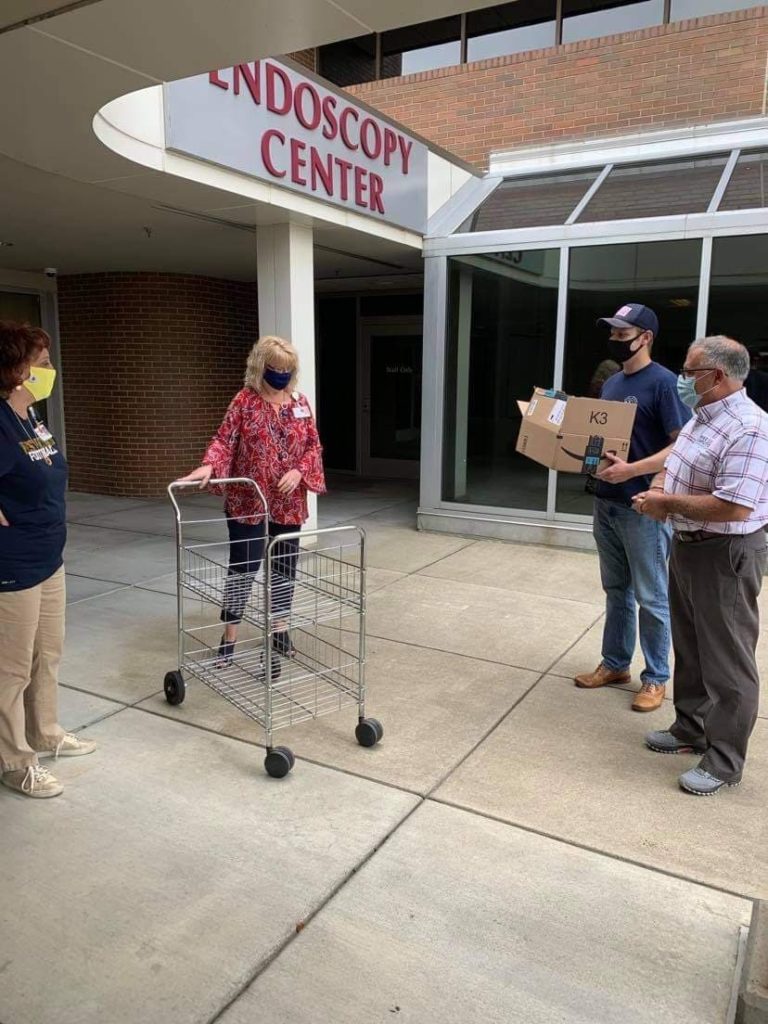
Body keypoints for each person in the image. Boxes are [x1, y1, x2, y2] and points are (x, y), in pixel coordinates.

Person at [633, 336, 768, 796]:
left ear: (717, 377)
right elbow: (678, 462)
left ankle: (725, 760)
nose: (682, 381)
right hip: (688, 544)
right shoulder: (702, 417)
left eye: (689, 373)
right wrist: (653, 483)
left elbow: (736, 507)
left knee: (727, 661)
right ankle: (690, 728)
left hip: (725, 554)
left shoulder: (750, 427)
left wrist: (664, 503)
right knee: (690, 645)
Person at [178, 335, 325, 661]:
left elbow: (313, 446)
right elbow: (224, 440)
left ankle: (279, 630)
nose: (281, 376)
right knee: (243, 566)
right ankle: (229, 634)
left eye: (287, 369)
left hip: (288, 501)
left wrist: (300, 471)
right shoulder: (245, 401)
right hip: (248, 498)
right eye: (275, 369)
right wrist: (208, 465)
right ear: (261, 367)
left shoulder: (299, 402)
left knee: (284, 566)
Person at [574, 303, 690, 712]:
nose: (616, 341)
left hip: (642, 507)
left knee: (652, 596)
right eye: (613, 334)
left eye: (624, 334)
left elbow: (681, 446)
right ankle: (615, 664)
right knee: (615, 590)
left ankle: (656, 677)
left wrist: (633, 472)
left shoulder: (665, 384)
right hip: (606, 504)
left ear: (646, 338)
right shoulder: (612, 384)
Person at [0, 322, 96, 799]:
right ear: (17, 370)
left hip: (49, 557)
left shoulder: (30, 416)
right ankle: (16, 762)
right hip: (12, 566)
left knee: (47, 655)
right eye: (41, 363)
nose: (49, 371)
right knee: (11, 670)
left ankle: (46, 731)